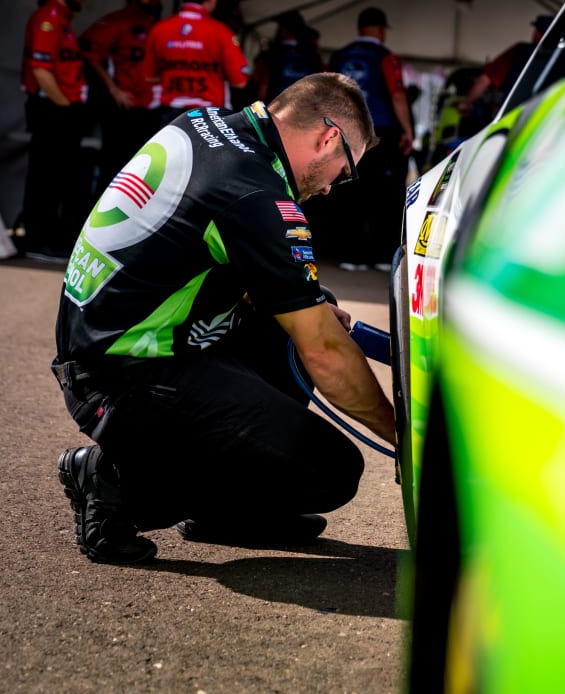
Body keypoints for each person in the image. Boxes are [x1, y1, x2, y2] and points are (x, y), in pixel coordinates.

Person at [52, 73, 395, 564]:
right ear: (328, 138)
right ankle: (111, 484)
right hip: (124, 378)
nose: (331, 188)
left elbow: (187, 239)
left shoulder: (204, 124)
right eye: (344, 170)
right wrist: (405, 441)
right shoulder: (257, 196)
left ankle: (226, 512)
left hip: (102, 342)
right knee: (331, 470)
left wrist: (297, 302)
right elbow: (324, 353)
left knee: (308, 306)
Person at [328, 7, 414, 271]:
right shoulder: (386, 58)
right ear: (380, 29)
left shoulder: (338, 57)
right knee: (384, 196)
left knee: (348, 192)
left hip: (342, 132)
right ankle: (379, 256)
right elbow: (398, 96)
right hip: (380, 133)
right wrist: (408, 130)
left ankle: (349, 255)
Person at [18, 0, 93, 263]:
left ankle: (47, 238)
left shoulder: (61, 20)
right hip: (51, 110)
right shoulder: (48, 19)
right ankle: (37, 241)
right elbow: (41, 70)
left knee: (58, 177)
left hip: (58, 110)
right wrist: (65, 107)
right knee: (45, 178)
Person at [79, 0, 164, 190]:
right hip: (124, 112)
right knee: (115, 170)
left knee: (145, 173)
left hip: (151, 112)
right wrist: (114, 89)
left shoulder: (156, 26)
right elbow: (87, 50)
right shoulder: (117, 20)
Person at [144, 0, 249, 120]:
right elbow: (240, 81)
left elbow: (149, 77)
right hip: (209, 116)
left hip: (170, 116)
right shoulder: (221, 32)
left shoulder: (159, 29)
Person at [457, 14, 552, 124]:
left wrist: (466, 103)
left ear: (537, 33)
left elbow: (484, 81)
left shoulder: (520, 51)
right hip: (545, 120)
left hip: (511, 117)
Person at [251, 10, 324, 102]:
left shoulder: (271, 54)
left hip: (275, 108)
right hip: (303, 109)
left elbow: (261, 86)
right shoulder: (313, 56)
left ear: (283, 29)